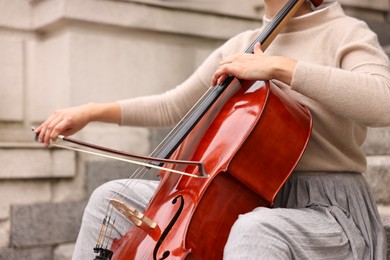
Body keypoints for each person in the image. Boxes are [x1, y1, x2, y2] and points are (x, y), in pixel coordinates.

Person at [35, 0, 390, 259]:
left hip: (326, 209)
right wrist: (90, 112)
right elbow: (174, 105)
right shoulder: (245, 43)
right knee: (108, 199)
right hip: (242, 196)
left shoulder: (345, 32)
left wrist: (281, 67)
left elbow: (383, 102)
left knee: (256, 230)